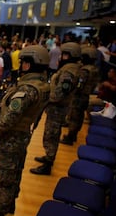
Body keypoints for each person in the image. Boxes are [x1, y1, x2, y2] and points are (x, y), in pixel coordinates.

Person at [0, 45, 51, 216]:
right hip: (22, 135)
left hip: (12, 138)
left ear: (31, 64)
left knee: (3, 176)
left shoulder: (28, 89)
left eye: (24, 62)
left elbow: (9, 120)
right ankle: (9, 205)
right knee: (14, 172)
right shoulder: (43, 85)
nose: (21, 65)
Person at [31, 42, 82, 175]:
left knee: (51, 134)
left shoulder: (69, 71)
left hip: (57, 108)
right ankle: (48, 156)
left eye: (64, 55)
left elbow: (61, 92)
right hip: (57, 107)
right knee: (50, 134)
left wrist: (48, 98)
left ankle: (48, 162)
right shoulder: (71, 68)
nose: (61, 57)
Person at [60, 46, 101, 145]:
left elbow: (79, 84)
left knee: (75, 116)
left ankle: (70, 137)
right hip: (85, 96)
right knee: (78, 116)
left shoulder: (85, 70)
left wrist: (73, 89)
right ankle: (73, 134)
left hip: (79, 96)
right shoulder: (94, 69)